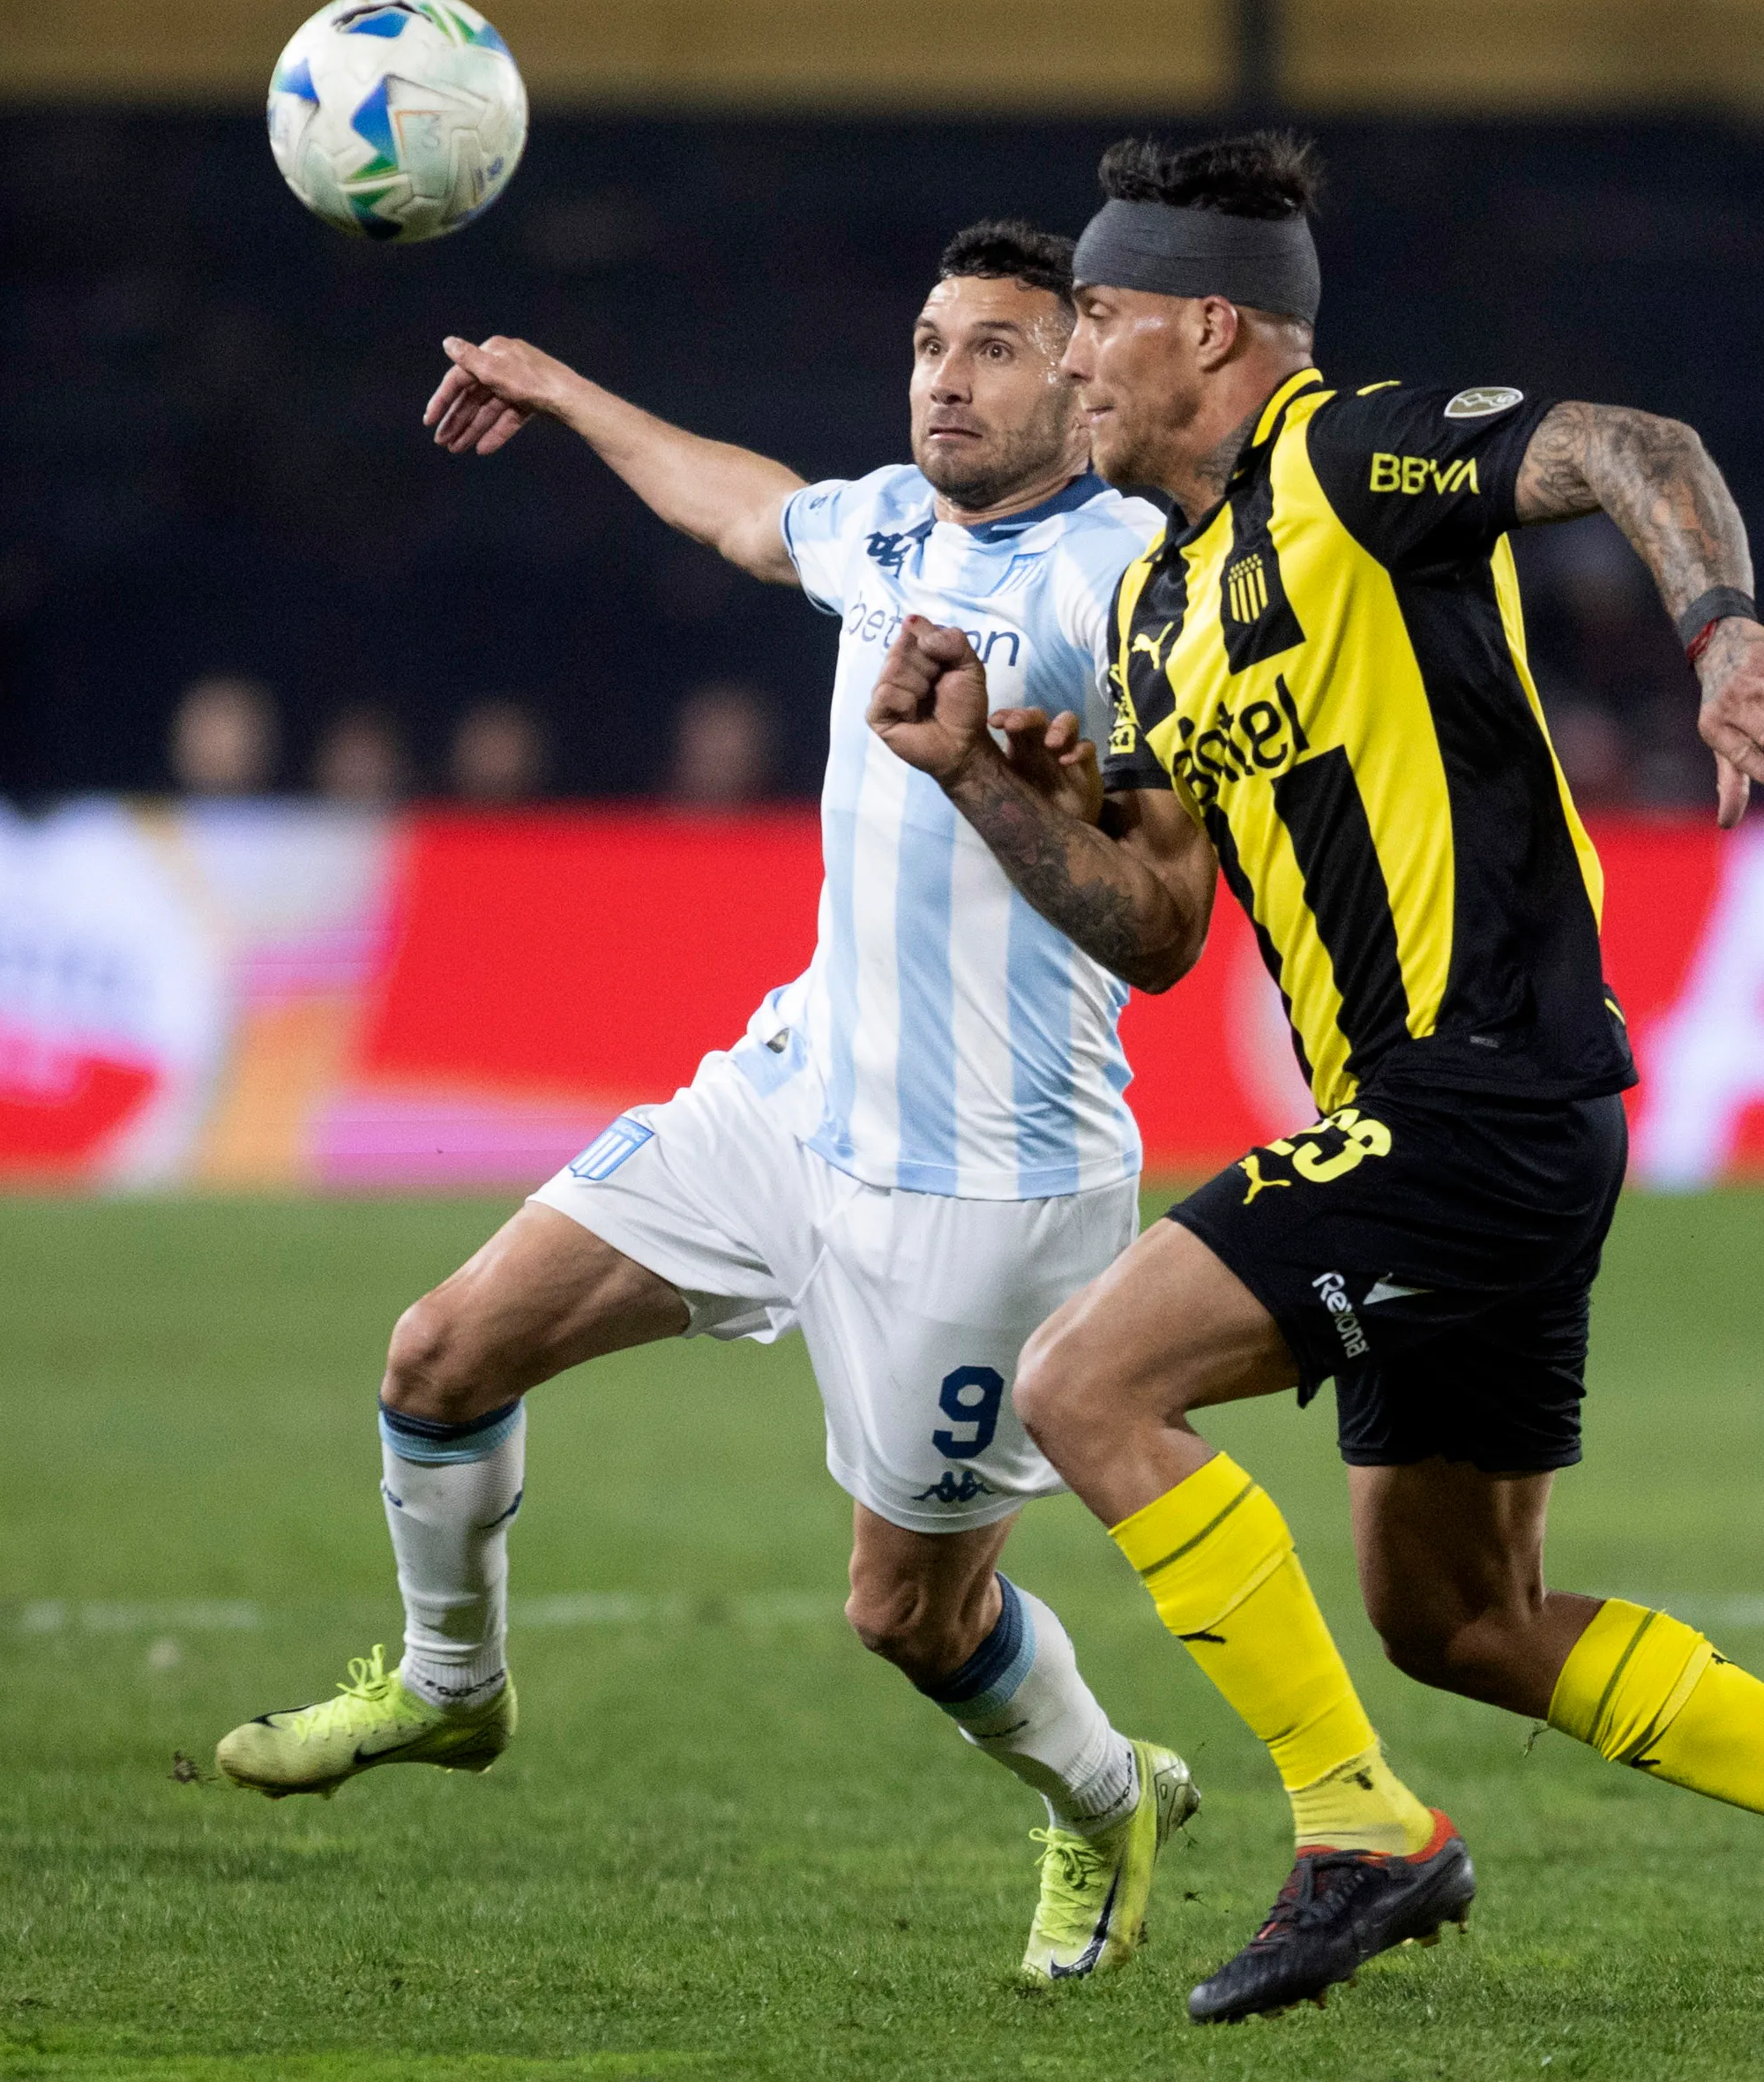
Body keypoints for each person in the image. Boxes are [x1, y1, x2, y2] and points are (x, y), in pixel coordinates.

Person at [868, 133, 1764, 2024]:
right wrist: (985, 781)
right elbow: (1163, 926)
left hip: (1471, 1095)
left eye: (1095, 320)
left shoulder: (1349, 455)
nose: (1070, 360)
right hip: (1464, 1127)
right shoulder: (1163, 607)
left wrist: (1714, 623)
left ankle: (1356, 1832)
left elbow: (1631, 445)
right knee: (1457, 1616)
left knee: (1086, 1383)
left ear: (1210, 325)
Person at [213, 221, 1203, 1983]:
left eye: (987, 347)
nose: (939, 378)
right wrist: (564, 390)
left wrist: (1007, 768)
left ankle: (1104, 1794)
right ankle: (451, 1687)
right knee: (440, 1355)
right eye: (924, 340)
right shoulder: (889, 522)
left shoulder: (1131, 585)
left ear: (1077, 377)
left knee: (910, 1611)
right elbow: (750, 506)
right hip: (790, 1091)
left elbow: (1164, 930)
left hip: (987, 1184)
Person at [665, 682, 778, 805]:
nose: (720, 749)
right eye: (711, 731)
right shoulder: (654, 806)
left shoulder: (781, 812)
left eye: (730, 733)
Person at [170, 675, 279, 795]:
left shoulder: (294, 811)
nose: (214, 743)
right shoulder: (154, 810)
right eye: (205, 725)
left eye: (228, 718)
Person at [446, 698, 550, 802]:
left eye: (504, 751)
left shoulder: (548, 808)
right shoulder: (444, 807)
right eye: (488, 749)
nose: (495, 758)